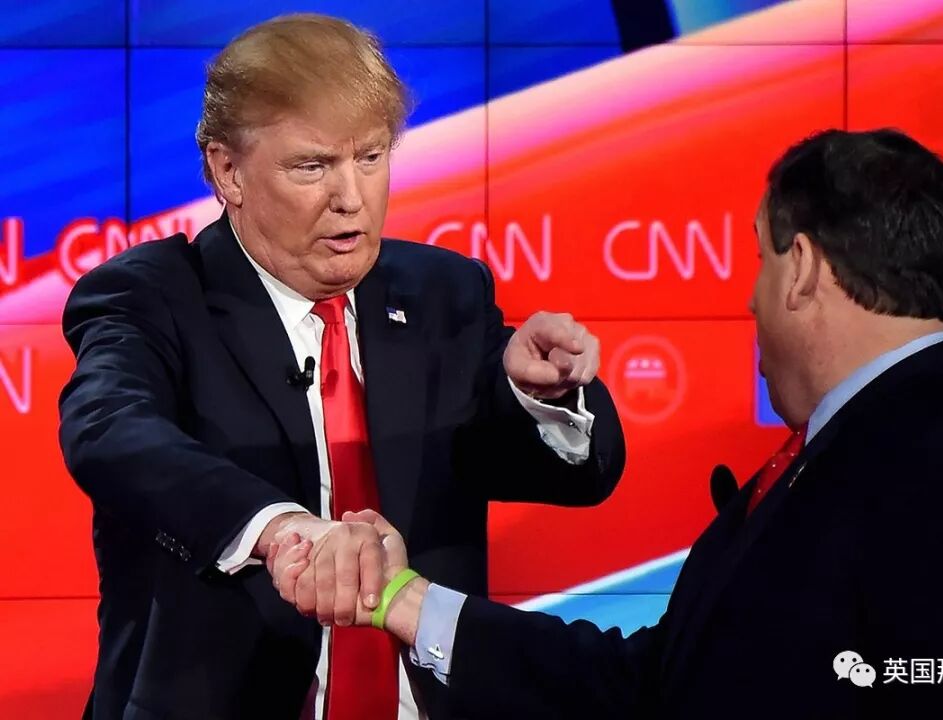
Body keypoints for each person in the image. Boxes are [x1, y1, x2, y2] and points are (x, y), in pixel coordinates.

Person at [272, 129, 943, 719]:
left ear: (801, 270)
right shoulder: (880, 444)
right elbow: (659, 681)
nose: (753, 300)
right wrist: (407, 602)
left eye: (762, 262)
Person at [58, 14, 625, 720]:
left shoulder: (444, 294)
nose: (351, 198)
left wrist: (539, 397)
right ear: (227, 171)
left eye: (371, 157)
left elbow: (577, 478)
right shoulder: (153, 298)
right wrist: (279, 532)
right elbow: (109, 432)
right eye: (313, 166)